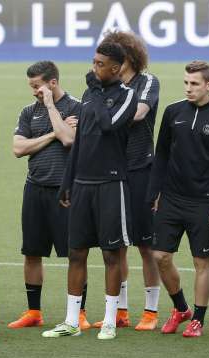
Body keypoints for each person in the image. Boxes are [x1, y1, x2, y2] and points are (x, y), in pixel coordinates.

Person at [42, 41, 137, 341]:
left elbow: (107, 124)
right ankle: (72, 320)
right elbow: (81, 140)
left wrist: (95, 92)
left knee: (112, 254)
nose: (94, 67)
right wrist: (67, 181)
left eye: (100, 64)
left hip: (111, 184)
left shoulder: (127, 96)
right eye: (93, 62)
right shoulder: (90, 94)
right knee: (76, 253)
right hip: (82, 184)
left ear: (116, 67)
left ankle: (109, 320)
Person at [149, 61, 209, 338]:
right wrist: (154, 193)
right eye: (186, 83)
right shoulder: (173, 111)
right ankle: (181, 308)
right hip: (171, 198)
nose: (188, 88)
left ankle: (198, 318)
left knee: (202, 262)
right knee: (160, 256)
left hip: (203, 202)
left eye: (194, 84)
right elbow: (161, 154)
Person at [91, 31, 162, 331]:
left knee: (146, 245)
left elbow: (138, 113)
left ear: (128, 58)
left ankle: (151, 311)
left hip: (141, 169)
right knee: (116, 245)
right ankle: (120, 310)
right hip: (112, 172)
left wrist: (103, 114)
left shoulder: (147, 82)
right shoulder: (107, 85)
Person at [9, 61, 85, 329]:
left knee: (75, 254)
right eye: (31, 87)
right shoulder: (28, 112)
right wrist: (55, 131)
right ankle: (34, 312)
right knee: (32, 252)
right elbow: (18, 148)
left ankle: (80, 313)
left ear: (52, 82)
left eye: (37, 87)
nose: (34, 92)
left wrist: (52, 107)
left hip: (66, 191)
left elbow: (70, 140)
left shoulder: (76, 107)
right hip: (35, 189)